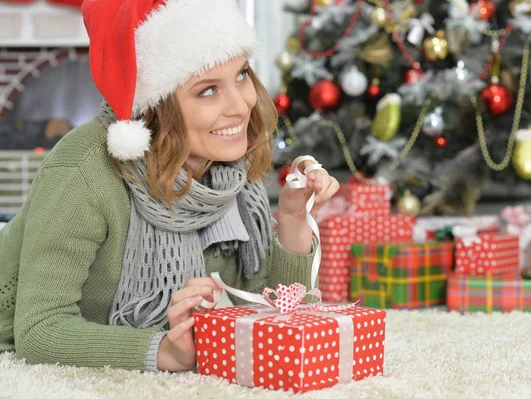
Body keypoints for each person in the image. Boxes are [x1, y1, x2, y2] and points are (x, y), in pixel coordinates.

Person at [0, 0, 339, 373]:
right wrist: (164, 350)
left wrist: (292, 221)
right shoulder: (84, 169)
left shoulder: (231, 165)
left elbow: (276, 313)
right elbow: (38, 330)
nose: (241, 107)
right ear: (156, 106)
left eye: (241, 74)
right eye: (207, 90)